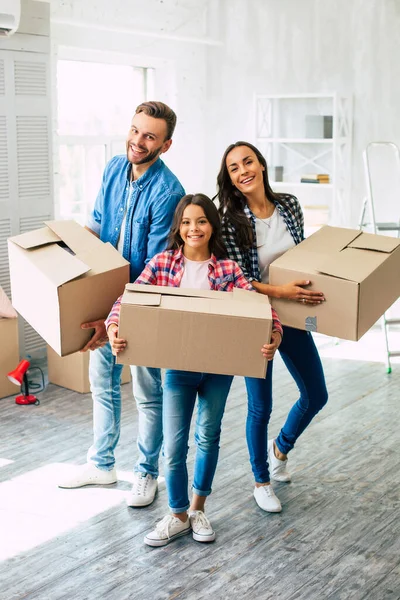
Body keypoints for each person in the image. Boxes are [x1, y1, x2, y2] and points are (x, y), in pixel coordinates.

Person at [105, 194, 283, 546]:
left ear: (212, 226)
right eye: (186, 222)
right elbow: (126, 300)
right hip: (178, 369)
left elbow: (262, 309)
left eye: (201, 221)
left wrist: (274, 334)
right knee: (173, 447)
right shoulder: (163, 264)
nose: (193, 228)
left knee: (208, 436)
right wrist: (114, 329)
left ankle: (199, 509)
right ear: (179, 227)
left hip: (218, 370)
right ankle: (177, 514)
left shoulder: (227, 270)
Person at [58, 101, 185, 509]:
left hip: (145, 305)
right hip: (106, 301)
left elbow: (150, 271)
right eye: (135, 130)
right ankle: (102, 464)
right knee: (103, 384)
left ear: (165, 145)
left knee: (148, 394)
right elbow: (97, 226)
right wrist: (70, 249)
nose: (138, 141)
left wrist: (112, 317)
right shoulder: (114, 167)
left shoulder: (169, 192)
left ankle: (147, 473)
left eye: (150, 136)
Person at [216, 141, 328, 513]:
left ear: (261, 165)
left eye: (248, 161)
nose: (243, 170)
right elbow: (238, 279)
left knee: (316, 394)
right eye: (234, 168)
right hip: (256, 316)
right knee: (259, 405)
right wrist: (281, 290)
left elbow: (303, 253)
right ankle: (261, 481)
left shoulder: (290, 205)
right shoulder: (230, 219)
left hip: (293, 316)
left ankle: (280, 448)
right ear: (230, 179)